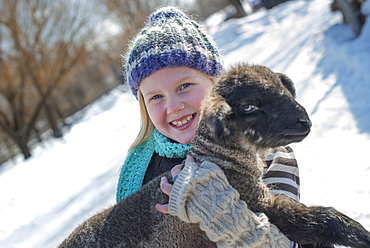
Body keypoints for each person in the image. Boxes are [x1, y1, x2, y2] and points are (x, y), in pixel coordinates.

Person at [117, 6, 300, 247]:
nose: (174, 107)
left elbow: (290, 240)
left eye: (185, 86)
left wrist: (217, 210)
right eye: (156, 97)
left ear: (216, 81)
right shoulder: (142, 167)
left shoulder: (262, 148)